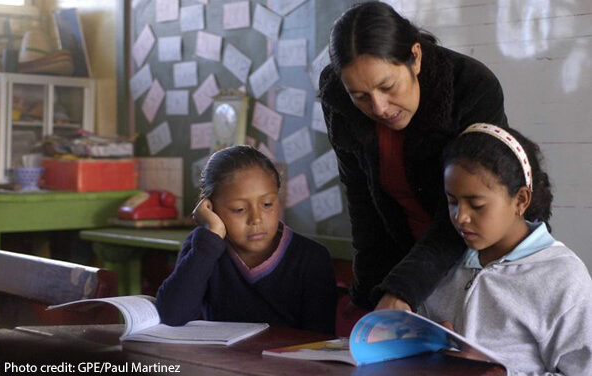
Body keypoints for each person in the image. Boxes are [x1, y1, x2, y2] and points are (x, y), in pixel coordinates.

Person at [318, 1, 508, 313]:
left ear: (415, 58)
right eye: (361, 96)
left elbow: (469, 210)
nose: (379, 108)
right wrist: (366, 298)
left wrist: (404, 288)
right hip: (411, 264)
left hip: (483, 258)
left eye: (388, 86)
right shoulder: (338, 99)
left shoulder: (472, 87)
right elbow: (363, 203)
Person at [419, 124, 592, 375]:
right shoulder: (444, 261)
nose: (460, 217)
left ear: (520, 200)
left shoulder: (562, 278)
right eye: (452, 201)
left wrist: (501, 373)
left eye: (476, 205)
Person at [156, 145, 337, 334]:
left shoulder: (311, 258)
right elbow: (172, 316)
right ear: (211, 208)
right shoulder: (203, 247)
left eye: (267, 204)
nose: (256, 219)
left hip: (286, 363)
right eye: (239, 209)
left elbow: (320, 342)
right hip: (220, 362)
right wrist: (210, 240)